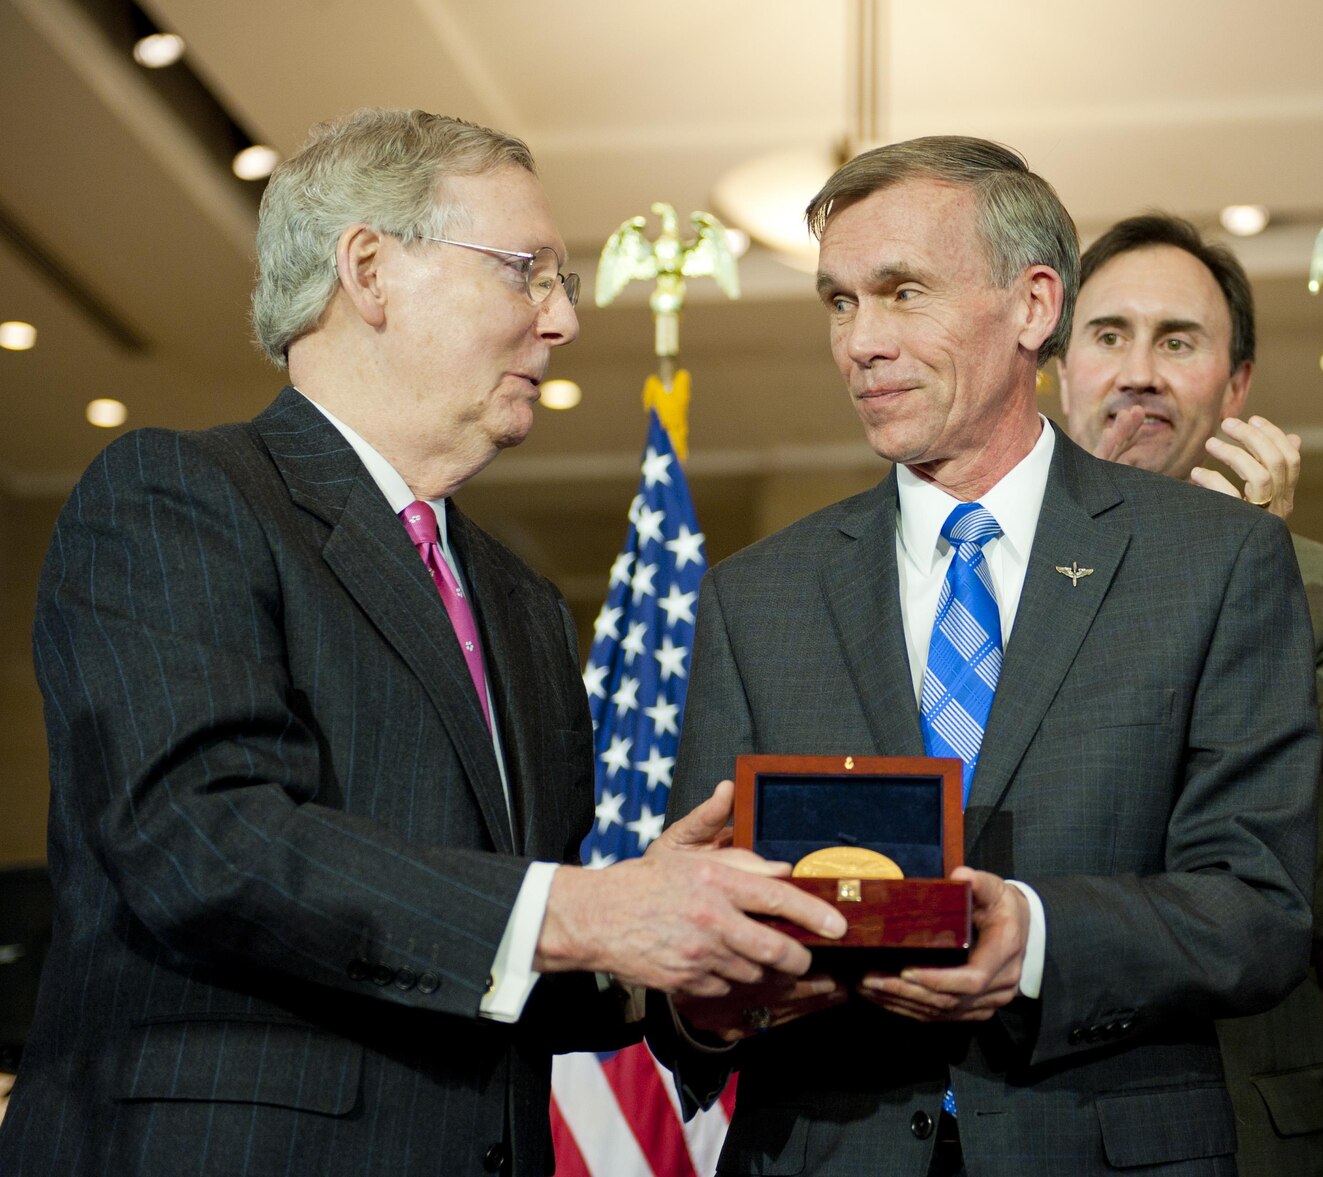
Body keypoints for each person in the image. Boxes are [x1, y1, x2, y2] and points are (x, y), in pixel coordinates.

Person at [0, 108, 842, 1177]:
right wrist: (580, 907)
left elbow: (483, 943)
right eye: (525, 270)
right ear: (369, 269)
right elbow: (201, 840)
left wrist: (668, 969)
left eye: (562, 282)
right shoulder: (177, 498)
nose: (561, 321)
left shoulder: (521, 600)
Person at [655, 137, 1319, 1177]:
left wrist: (1036, 937)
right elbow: (696, 958)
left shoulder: (1215, 561)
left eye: (901, 291)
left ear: (1033, 306)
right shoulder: (755, 596)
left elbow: (1259, 906)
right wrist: (707, 993)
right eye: (839, 302)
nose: (860, 342)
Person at [1055, 212, 1323, 1175]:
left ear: (1236, 383)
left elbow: (1320, 894)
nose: (1139, 372)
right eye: (1109, 335)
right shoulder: (977, 581)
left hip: (1241, 1122)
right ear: (1057, 362)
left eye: (1178, 341)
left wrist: (1249, 600)